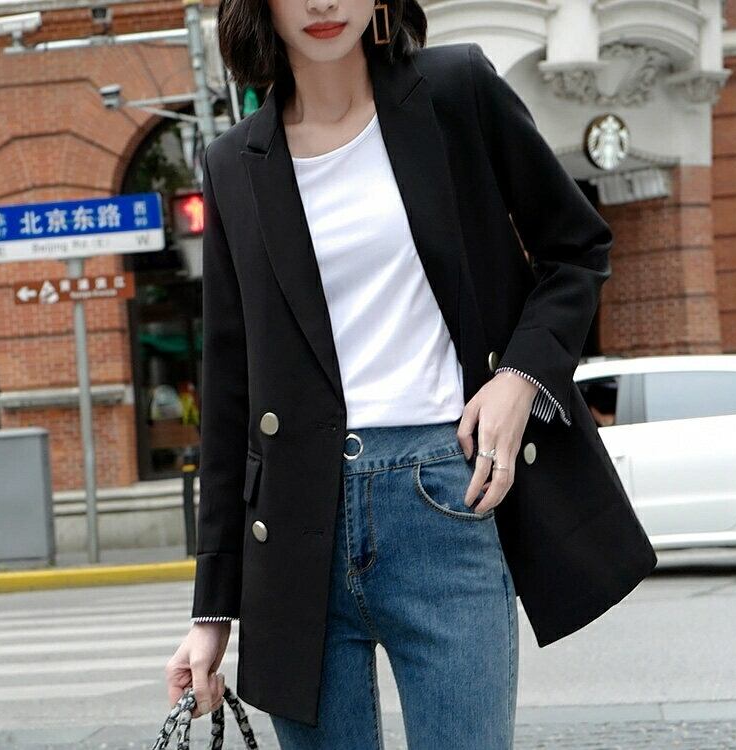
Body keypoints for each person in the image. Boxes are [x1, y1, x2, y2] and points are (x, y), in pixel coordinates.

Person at [164, 0, 657, 746]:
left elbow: (576, 250)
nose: (322, 4)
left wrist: (519, 377)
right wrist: (211, 613)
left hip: (442, 497)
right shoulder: (235, 163)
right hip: (295, 531)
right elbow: (231, 386)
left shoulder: (455, 90)